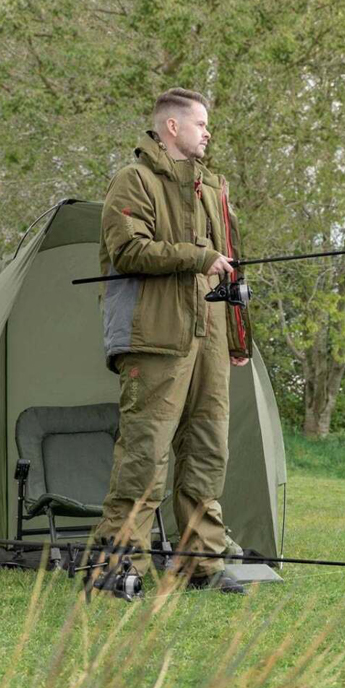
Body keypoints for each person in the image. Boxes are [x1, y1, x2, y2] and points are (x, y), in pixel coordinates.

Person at [94, 87, 252, 594]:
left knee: (208, 450)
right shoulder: (133, 181)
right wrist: (196, 257)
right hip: (154, 338)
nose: (208, 133)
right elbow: (128, 250)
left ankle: (199, 563)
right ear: (172, 127)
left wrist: (236, 339)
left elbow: (227, 269)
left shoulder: (213, 189)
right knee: (146, 455)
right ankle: (120, 568)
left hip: (207, 338)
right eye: (201, 124)